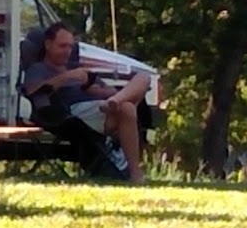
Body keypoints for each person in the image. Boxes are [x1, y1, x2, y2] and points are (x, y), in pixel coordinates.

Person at [22, 21, 151, 184]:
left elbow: (109, 90)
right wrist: (67, 77)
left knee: (142, 79)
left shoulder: (78, 68)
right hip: (74, 114)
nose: (67, 51)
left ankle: (115, 102)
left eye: (70, 47)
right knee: (127, 108)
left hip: (103, 106)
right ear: (48, 44)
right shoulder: (39, 69)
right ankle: (135, 173)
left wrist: (93, 89)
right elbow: (32, 91)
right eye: (62, 46)